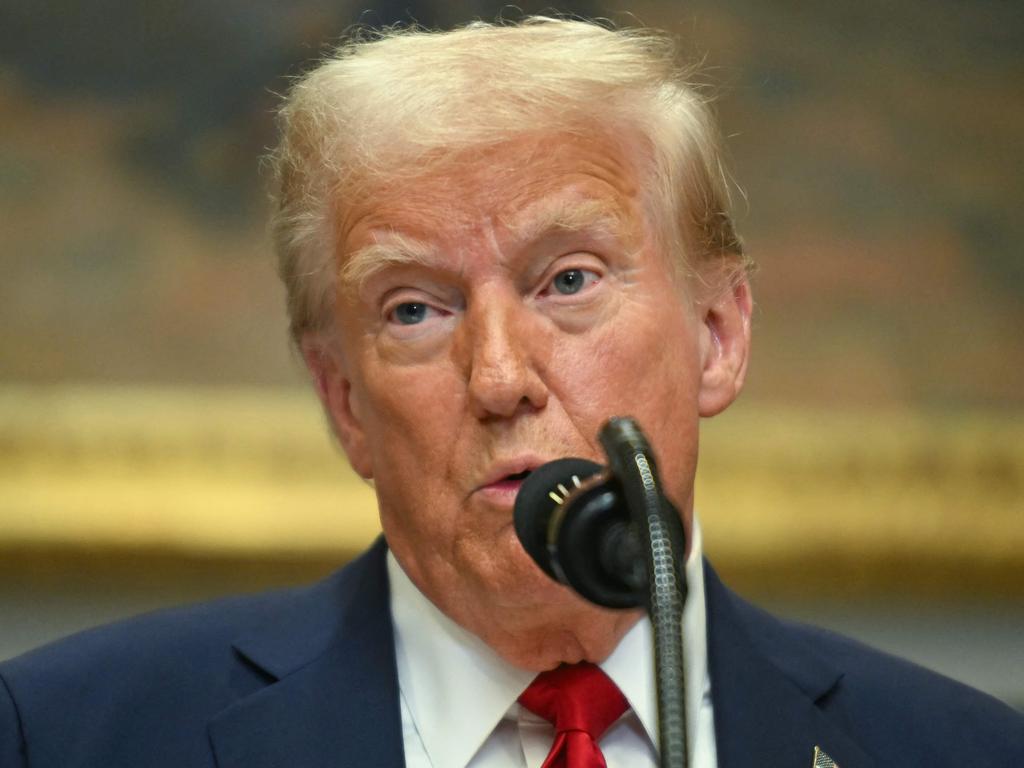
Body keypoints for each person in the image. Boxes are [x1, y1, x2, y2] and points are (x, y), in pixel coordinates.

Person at [1, 17, 1021, 768]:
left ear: (717, 335)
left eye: (568, 281)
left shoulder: (955, 751)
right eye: (413, 309)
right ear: (344, 400)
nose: (498, 378)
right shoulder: (65, 737)